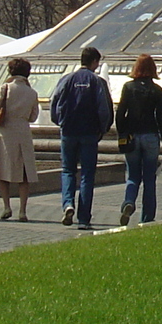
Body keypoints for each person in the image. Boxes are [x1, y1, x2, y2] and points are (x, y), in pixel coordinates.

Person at [50, 46, 114, 229]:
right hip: (89, 133)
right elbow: (103, 109)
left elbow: (55, 103)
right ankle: (84, 218)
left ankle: (68, 203)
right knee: (87, 174)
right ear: (94, 62)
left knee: (68, 170)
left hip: (68, 131)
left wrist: (60, 123)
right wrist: (102, 129)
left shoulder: (66, 79)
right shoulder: (97, 81)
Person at [116, 54, 162, 227]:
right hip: (151, 136)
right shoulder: (157, 90)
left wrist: (122, 134)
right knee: (149, 178)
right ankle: (147, 217)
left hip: (133, 135)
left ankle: (128, 202)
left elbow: (120, 113)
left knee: (133, 175)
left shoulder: (128, 87)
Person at [0, 58, 41, 221]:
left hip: (5, 132)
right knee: (24, 174)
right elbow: (33, 117)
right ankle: (23, 210)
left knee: (3, 171)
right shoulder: (32, 93)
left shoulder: (5, 88)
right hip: (23, 132)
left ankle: (6, 207)